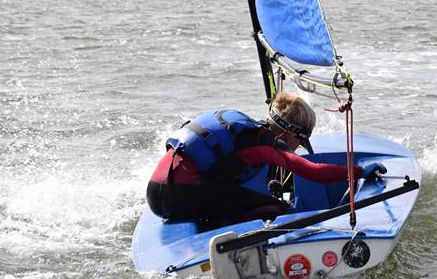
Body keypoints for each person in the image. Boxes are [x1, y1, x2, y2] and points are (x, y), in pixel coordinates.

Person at [146, 92, 383, 225]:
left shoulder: (238, 127)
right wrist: (360, 171)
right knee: (276, 207)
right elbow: (316, 172)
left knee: (240, 196)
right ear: (288, 134)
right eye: (299, 142)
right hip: (182, 195)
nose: (296, 148)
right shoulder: (265, 146)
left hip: (156, 191)